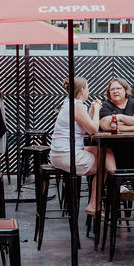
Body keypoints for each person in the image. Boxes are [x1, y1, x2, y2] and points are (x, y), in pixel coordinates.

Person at [49, 76, 103, 215]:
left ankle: (112, 191)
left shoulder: (70, 102)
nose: (89, 91)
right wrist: (96, 109)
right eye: (88, 88)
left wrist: (91, 109)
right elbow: (93, 130)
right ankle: (94, 203)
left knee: (105, 152)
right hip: (67, 156)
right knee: (106, 165)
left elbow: (84, 127)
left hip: (59, 153)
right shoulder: (76, 105)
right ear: (83, 90)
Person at [99, 77, 134, 192]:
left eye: (118, 88)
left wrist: (118, 117)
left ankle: (126, 190)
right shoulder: (105, 105)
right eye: (112, 89)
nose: (115, 91)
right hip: (112, 152)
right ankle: (116, 189)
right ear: (109, 92)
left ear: (126, 90)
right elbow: (106, 125)